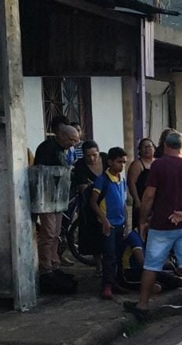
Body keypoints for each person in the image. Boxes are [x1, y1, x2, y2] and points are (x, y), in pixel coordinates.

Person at [125, 131, 182, 322]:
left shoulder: (159, 165)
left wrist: (143, 220)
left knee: (151, 265)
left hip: (161, 225)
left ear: (164, 147)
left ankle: (143, 305)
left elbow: (148, 196)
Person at [33, 124, 80, 293]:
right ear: (62, 135)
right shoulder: (47, 147)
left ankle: (54, 264)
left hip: (58, 198)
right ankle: (46, 268)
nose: (74, 144)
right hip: (46, 198)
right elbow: (45, 171)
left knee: (57, 233)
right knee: (48, 233)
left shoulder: (62, 149)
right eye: (72, 140)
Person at [90, 147, 129, 300]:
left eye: (124, 162)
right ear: (110, 162)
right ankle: (106, 286)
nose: (122, 165)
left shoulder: (121, 179)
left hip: (120, 223)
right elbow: (93, 202)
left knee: (118, 255)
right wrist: (104, 220)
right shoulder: (102, 180)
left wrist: (126, 222)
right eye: (119, 162)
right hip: (108, 224)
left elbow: (123, 202)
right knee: (109, 255)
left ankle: (115, 283)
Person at [72, 141, 107, 274]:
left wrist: (92, 185)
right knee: (94, 235)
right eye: (88, 156)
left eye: (94, 155)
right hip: (89, 205)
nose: (92, 159)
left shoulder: (106, 158)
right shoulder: (80, 165)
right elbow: (82, 187)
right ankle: (99, 265)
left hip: (108, 203)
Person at [127, 138, 156, 231]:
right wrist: (137, 200)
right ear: (140, 150)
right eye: (144, 147)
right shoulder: (137, 164)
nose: (147, 149)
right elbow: (131, 183)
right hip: (142, 200)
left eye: (149, 146)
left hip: (156, 201)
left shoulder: (158, 162)